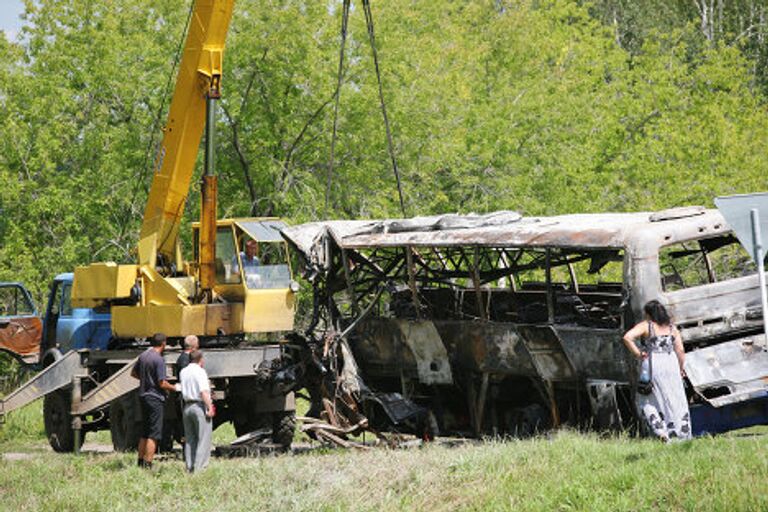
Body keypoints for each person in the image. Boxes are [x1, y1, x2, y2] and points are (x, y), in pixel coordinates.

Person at [622, 300, 691, 441]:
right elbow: (681, 350)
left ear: (648, 314)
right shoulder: (672, 328)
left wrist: (638, 353)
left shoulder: (647, 326)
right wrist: (681, 368)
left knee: (648, 398)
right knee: (674, 398)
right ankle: (679, 433)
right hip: (671, 364)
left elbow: (627, 337)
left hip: (653, 365)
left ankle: (661, 431)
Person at [131, 332, 177, 468]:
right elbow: (162, 383)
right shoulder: (159, 359)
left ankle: (140, 462)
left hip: (143, 396)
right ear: (163, 344)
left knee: (145, 431)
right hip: (155, 398)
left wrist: (145, 380)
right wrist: (174, 388)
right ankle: (148, 464)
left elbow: (133, 373)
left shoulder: (144, 356)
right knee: (155, 433)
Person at [179, 350, 215, 472]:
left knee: (190, 439)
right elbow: (203, 392)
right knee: (203, 438)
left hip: (187, 406)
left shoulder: (183, 372)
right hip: (199, 406)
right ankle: (200, 468)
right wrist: (209, 406)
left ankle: (190, 466)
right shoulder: (200, 372)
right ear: (201, 359)